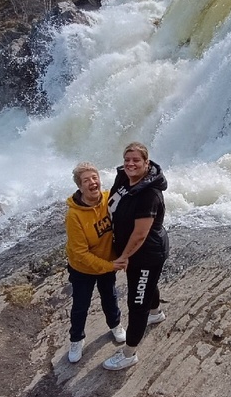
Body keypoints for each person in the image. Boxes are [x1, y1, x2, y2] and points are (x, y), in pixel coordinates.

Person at [102, 142, 169, 371]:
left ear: (146, 163)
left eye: (136, 160)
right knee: (147, 286)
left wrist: (123, 256)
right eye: (127, 159)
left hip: (145, 254)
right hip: (134, 251)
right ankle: (156, 313)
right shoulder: (123, 177)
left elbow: (140, 235)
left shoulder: (149, 194)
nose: (130, 164)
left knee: (137, 301)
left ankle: (129, 353)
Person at [64, 162, 125, 364]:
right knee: (81, 304)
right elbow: (80, 253)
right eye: (86, 180)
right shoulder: (74, 216)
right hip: (82, 268)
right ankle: (76, 339)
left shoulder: (109, 199)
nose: (92, 183)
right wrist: (110, 266)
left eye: (94, 178)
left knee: (110, 296)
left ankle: (115, 325)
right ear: (80, 187)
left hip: (107, 261)